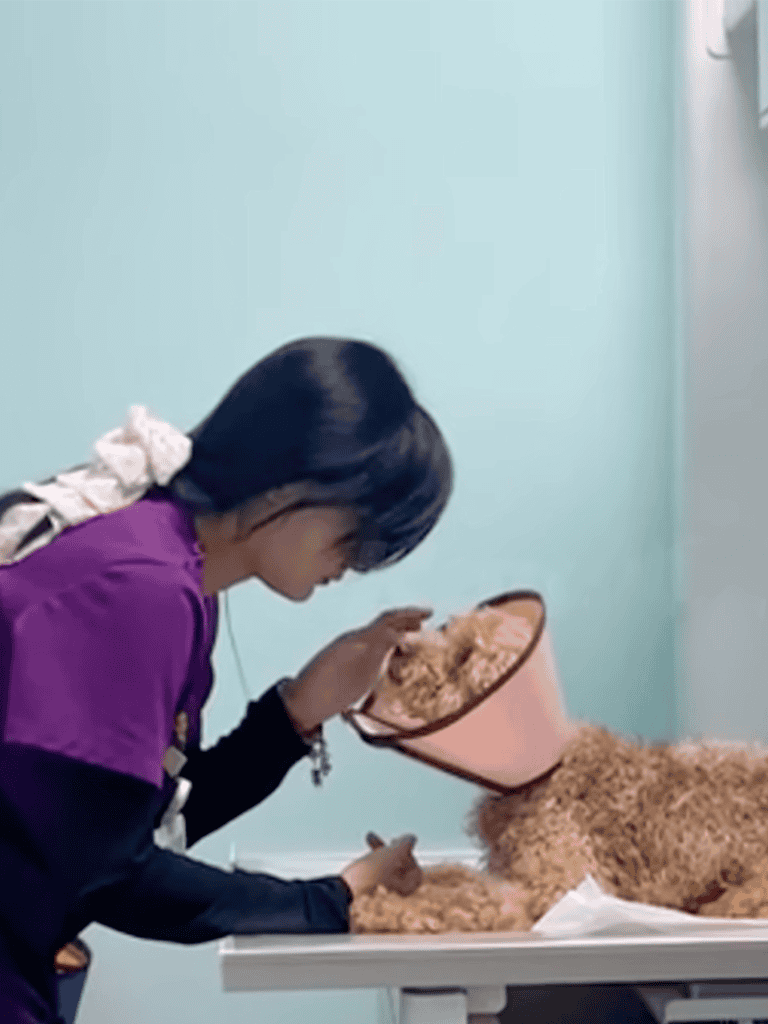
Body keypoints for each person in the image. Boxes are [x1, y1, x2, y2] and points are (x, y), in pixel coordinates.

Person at [0, 336, 452, 1024]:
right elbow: (110, 872)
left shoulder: (173, 566)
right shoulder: (143, 588)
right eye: (363, 525)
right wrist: (330, 899)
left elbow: (126, 827)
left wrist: (301, 709)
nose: (361, 560)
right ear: (294, 479)